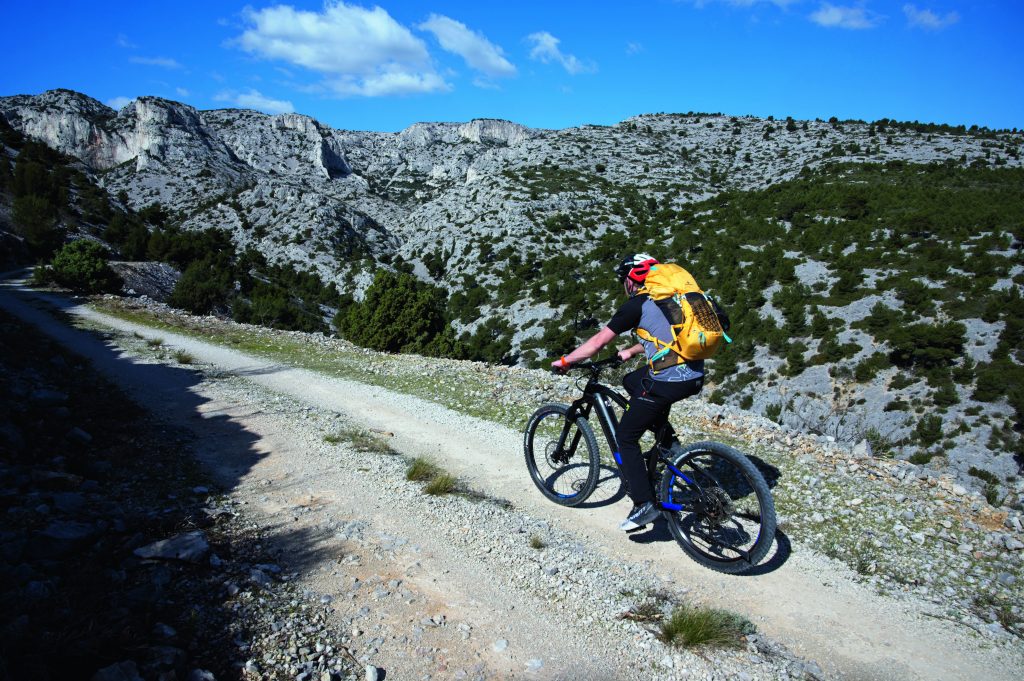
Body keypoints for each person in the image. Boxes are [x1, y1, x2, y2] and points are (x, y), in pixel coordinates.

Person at [550, 253, 705, 531]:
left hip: (667, 380)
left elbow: (597, 342)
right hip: (693, 374)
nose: (624, 285)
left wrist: (565, 362)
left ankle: (644, 504)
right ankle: (667, 442)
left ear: (632, 280)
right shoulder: (673, 299)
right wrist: (631, 351)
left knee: (625, 437)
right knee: (632, 381)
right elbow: (671, 337)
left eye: (624, 280)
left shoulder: (636, 305)